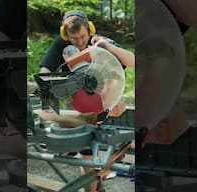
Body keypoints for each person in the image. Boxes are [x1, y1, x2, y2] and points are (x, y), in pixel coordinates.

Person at [38, 10, 134, 192]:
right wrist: (46, 97)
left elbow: (132, 61)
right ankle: (94, 188)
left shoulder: (100, 42)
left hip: (105, 102)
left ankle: (96, 183)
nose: (80, 42)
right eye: (74, 38)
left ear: (90, 29)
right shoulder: (61, 44)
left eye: (83, 36)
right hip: (78, 106)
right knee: (87, 158)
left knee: (99, 157)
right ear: (65, 35)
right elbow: (45, 72)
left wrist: (109, 48)